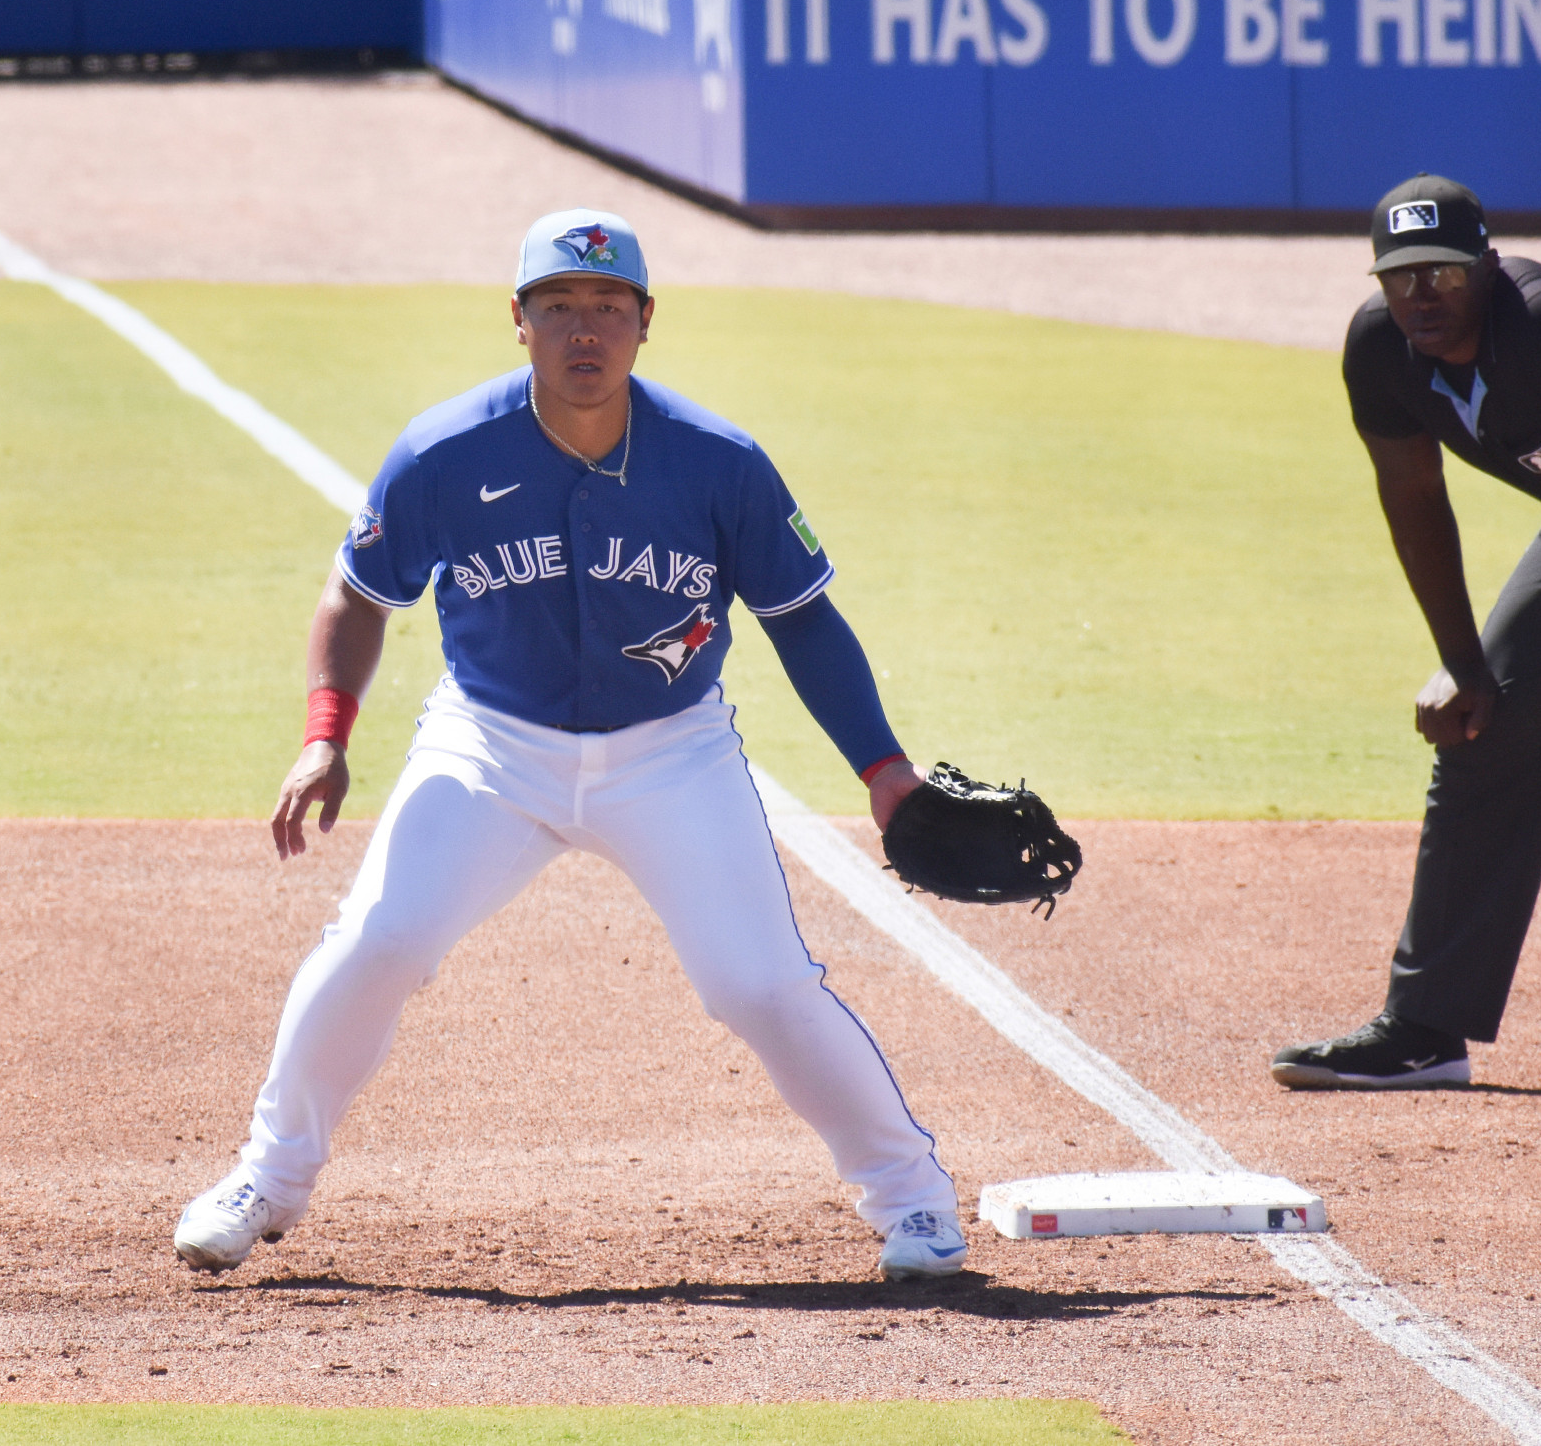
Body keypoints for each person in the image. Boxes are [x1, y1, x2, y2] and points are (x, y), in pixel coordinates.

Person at [174, 209, 966, 1280]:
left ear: (645, 320)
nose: (583, 330)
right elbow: (356, 594)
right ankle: (267, 1178)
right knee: (378, 941)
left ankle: (914, 1202)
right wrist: (326, 734)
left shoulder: (720, 463)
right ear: (518, 320)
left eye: (606, 306)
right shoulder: (443, 451)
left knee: (759, 983)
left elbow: (803, 621)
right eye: (557, 307)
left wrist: (882, 769)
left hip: (671, 753)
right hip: (491, 748)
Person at [1272, 175, 1541, 1090]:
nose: (1422, 295)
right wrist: (1463, 663)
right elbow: (1412, 495)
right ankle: (1425, 1028)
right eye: (1400, 275)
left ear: (1487, 265)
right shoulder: (1380, 348)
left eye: (1442, 272)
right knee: (1486, 729)